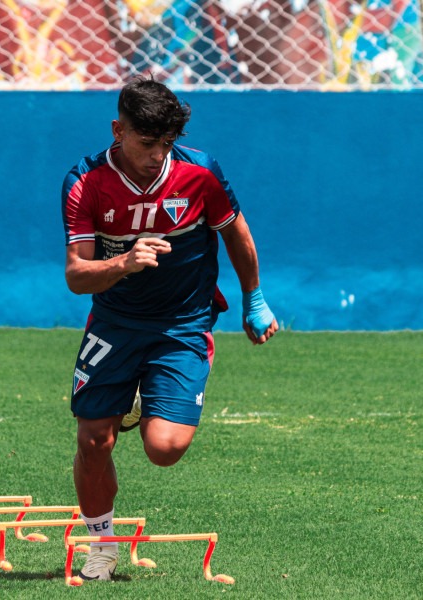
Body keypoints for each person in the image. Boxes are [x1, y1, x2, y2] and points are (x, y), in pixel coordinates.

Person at [61, 76, 278, 581]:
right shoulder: (85, 182)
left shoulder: (199, 173)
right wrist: (124, 264)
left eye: (167, 143)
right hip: (114, 323)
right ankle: (103, 548)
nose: (159, 154)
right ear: (118, 130)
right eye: (146, 142)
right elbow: (76, 274)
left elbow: (237, 235)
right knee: (94, 440)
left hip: (183, 323)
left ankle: (150, 395)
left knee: (164, 450)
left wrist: (255, 299)